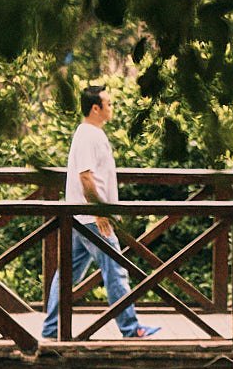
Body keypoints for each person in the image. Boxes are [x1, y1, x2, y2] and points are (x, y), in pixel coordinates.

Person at [41, 84, 159, 340]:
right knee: (116, 269)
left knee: (67, 274)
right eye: (109, 103)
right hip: (92, 218)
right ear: (96, 108)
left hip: (82, 216)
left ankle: (51, 329)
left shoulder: (91, 134)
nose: (112, 108)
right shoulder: (88, 135)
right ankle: (131, 328)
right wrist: (100, 213)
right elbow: (86, 178)